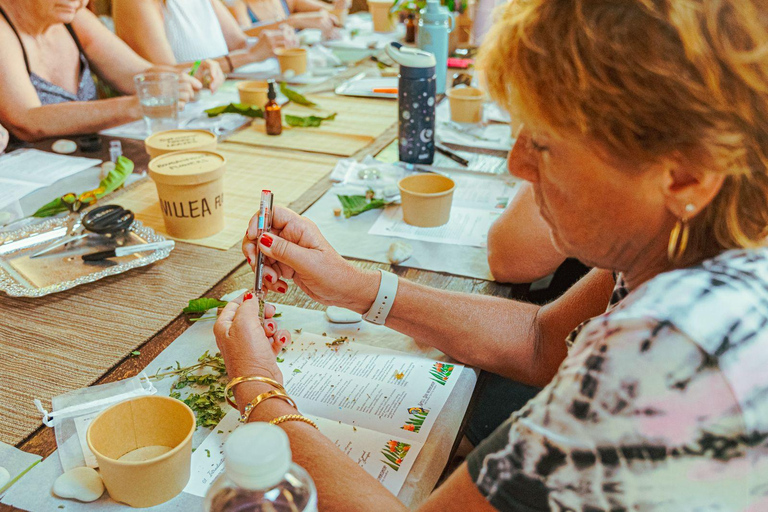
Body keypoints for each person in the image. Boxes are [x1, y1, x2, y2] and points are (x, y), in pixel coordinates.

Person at [215, 0, 768, 510]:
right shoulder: (694, 234)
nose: (517, 165)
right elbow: (541, 340)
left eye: (544, 144)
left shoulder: (671, 351)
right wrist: (354, 286)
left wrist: (258, 389)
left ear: (686, 173)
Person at [0, 0, 220, 142]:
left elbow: (137, 74)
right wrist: (139, 103)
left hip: (89, 164)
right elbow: (27, 121)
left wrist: (189, 72)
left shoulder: (73, 15)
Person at [113, 0, 297, 73]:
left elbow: (238, 43)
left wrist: (275, 39)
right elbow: (167, 77)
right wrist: (250, 56)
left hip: (218, 105)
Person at [226, 0, 346, 37]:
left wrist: (342, 4)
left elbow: (333, 12)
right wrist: (293, 21)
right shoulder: (237, 5)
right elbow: (242, 37)